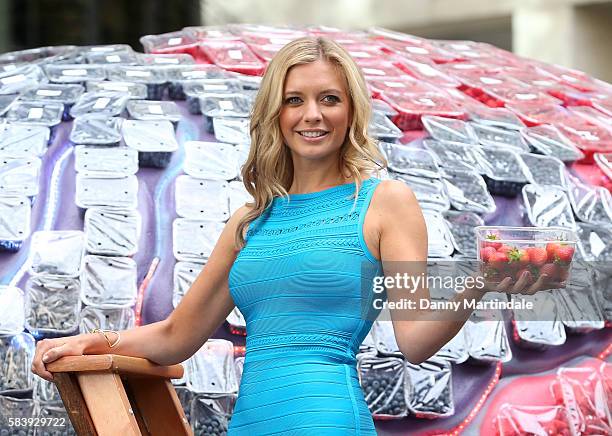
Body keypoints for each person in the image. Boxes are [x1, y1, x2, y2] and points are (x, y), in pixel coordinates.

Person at [31, 36, 562, 435]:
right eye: (295, 100)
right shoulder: (249, 221)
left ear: (350, 110)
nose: (313, 115)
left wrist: (483, 281)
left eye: (329, 99)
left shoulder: (384, 201)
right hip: (252, 421)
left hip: (326, 417)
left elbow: (416, 341)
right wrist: (95, 340)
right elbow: (176, 337)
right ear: (275, 113)